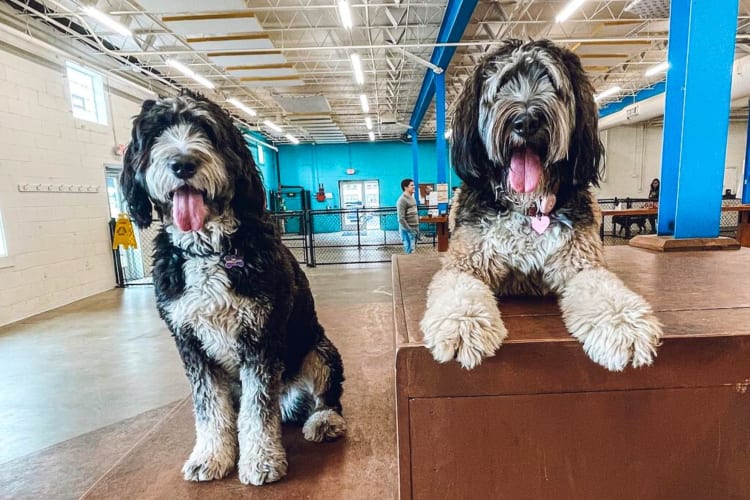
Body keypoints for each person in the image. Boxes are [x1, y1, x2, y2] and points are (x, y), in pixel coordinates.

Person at [397, 178, 419, 254]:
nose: (414, 186)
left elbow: (414, 214)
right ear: (406, 187)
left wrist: (416, 229)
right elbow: (401, 218)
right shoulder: (402, 200)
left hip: (414, 228)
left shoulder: (412, 198)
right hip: (407, 230)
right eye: (412, 185)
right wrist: (410, 230)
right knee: (409, 251)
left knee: (413, 250)